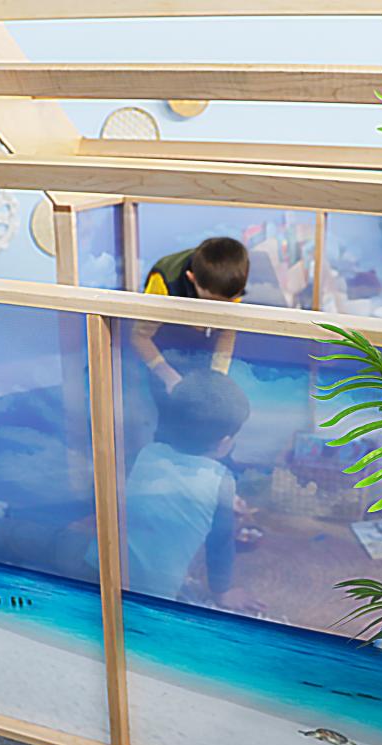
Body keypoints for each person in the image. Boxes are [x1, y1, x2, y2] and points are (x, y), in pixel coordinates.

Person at [125, 369, 263, 613]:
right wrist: (222, 591)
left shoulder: (147, 452)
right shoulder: (221, 480)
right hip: (155, 594)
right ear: (224, 443)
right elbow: (220, 543)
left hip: (101, 568)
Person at [131, 237, 250, 394]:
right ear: (191, 278)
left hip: (202, 344)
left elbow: (227, 333)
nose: (216, 310)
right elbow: (140, 337)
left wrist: (218, 376)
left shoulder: (232, 284)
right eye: (211, 302)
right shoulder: (163, 282)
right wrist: (169, 377)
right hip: (164, 341)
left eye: (227, 302)